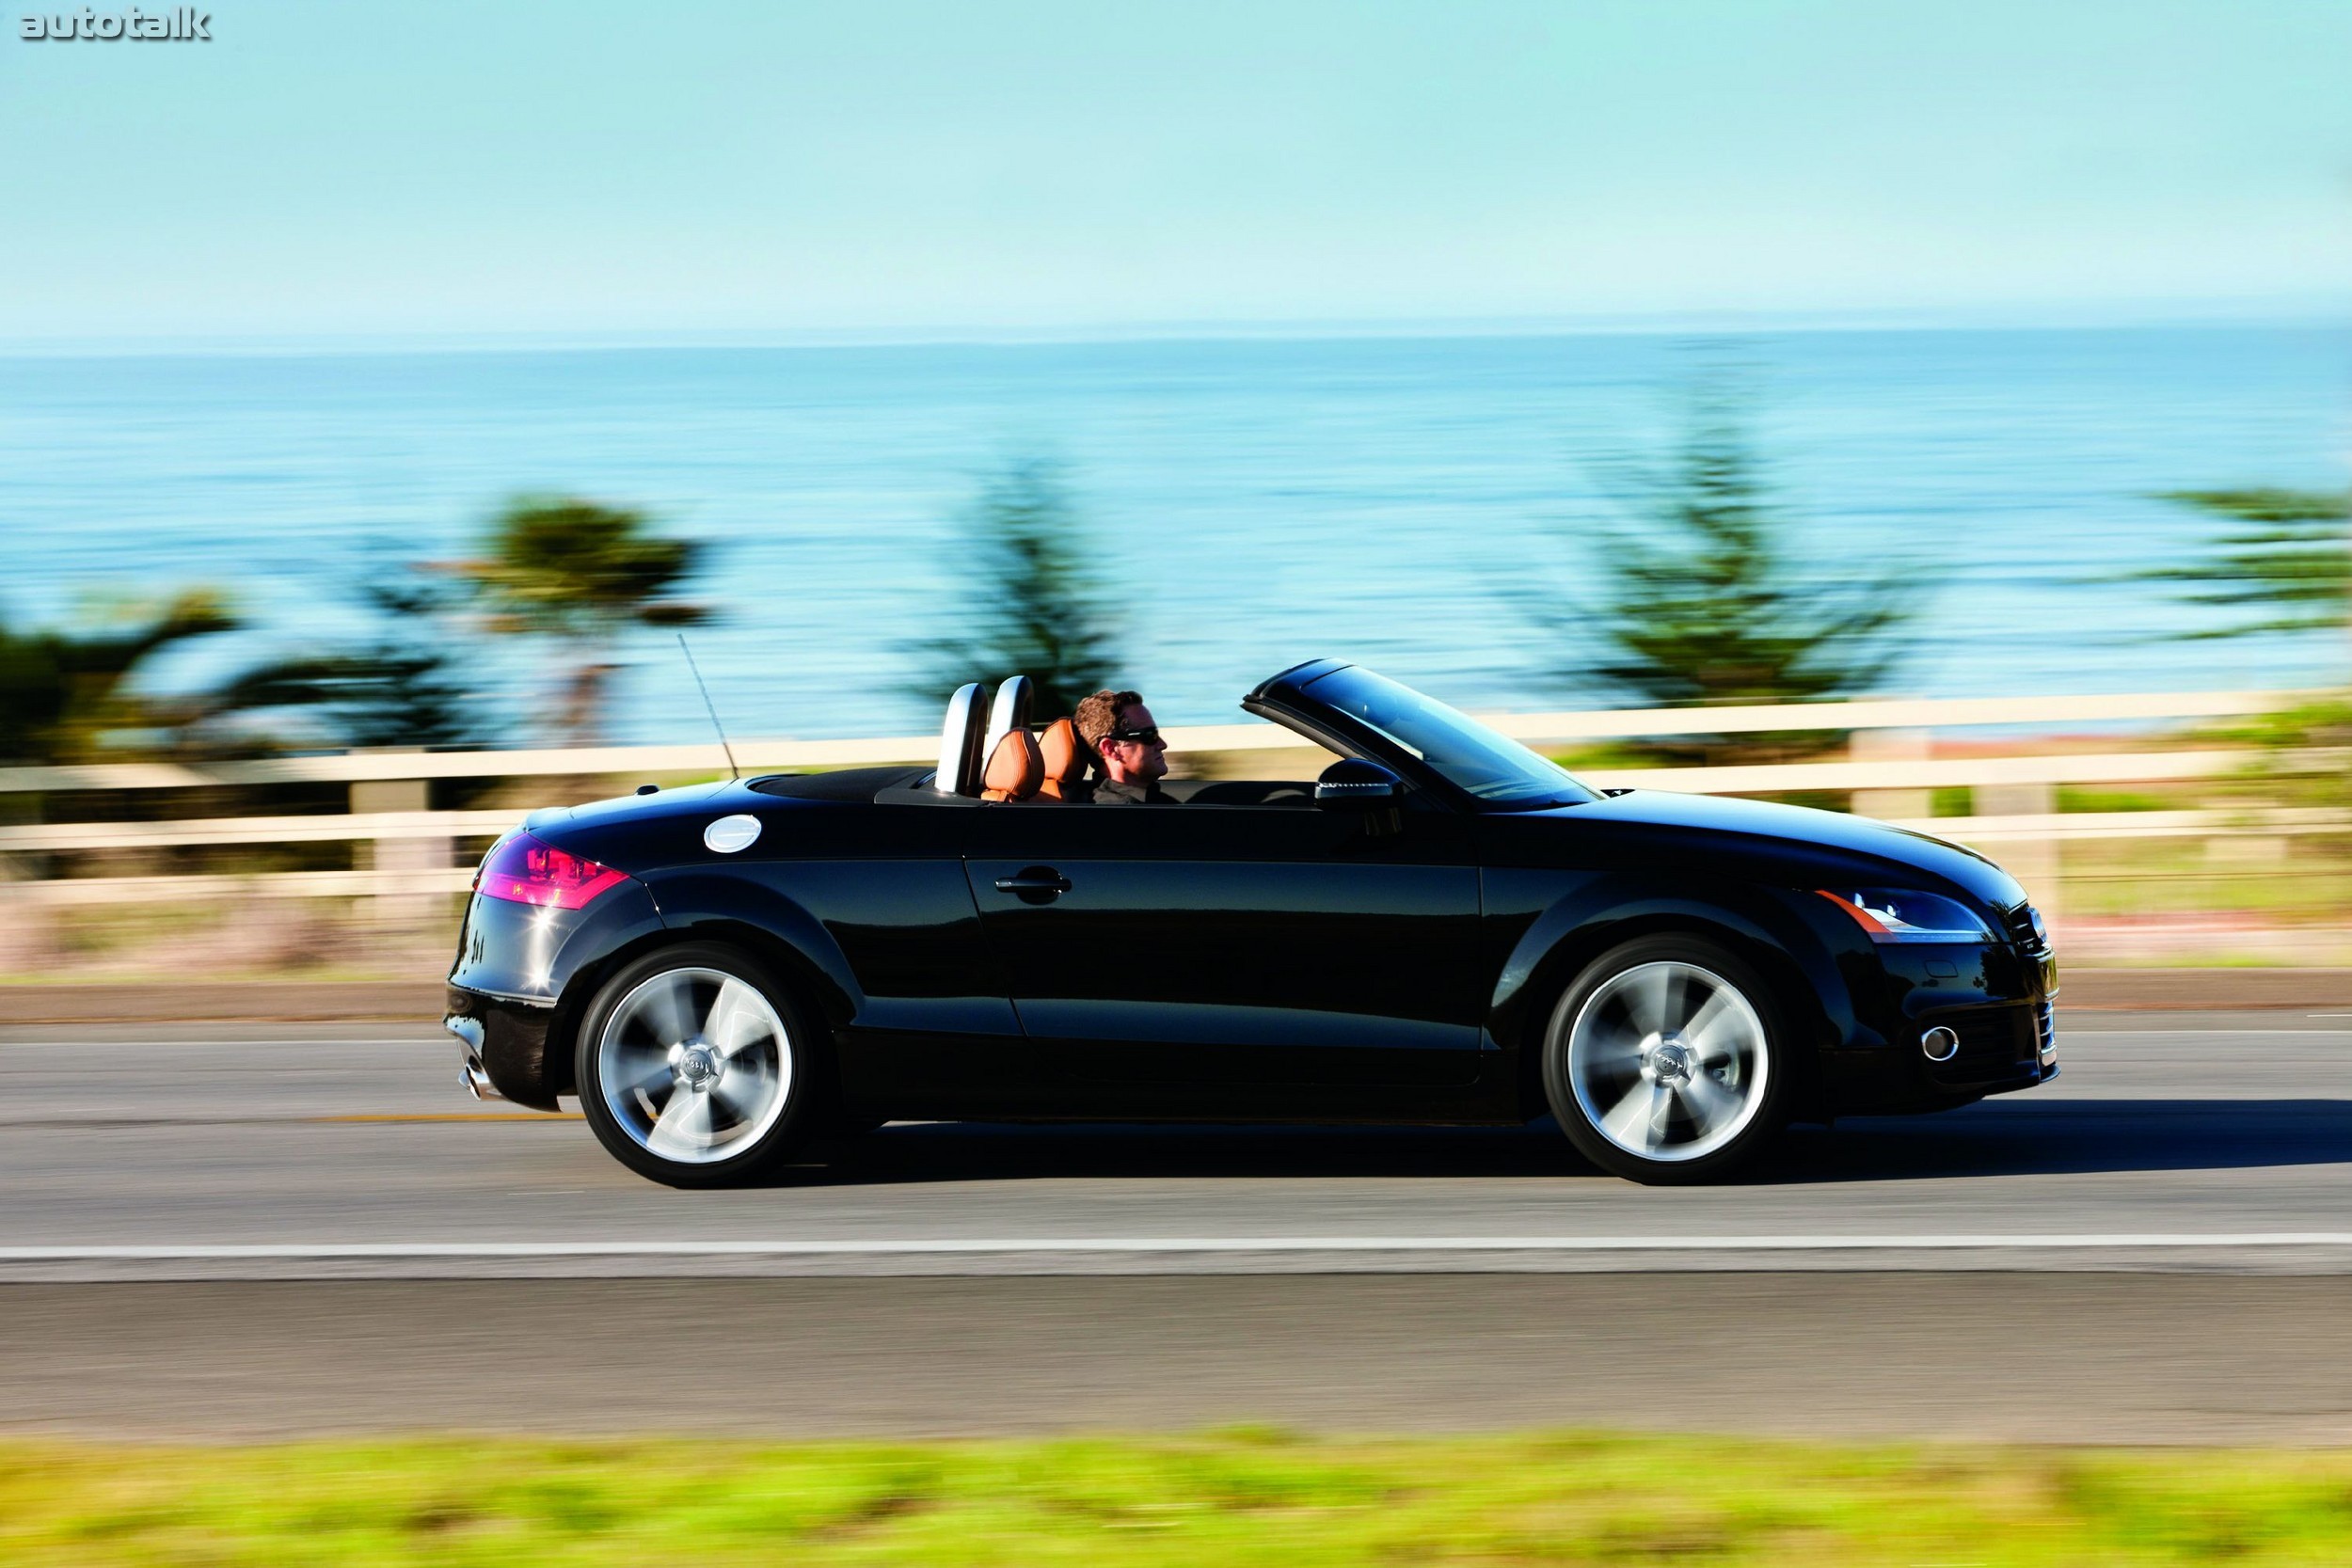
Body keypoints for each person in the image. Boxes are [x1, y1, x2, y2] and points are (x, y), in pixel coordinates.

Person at [1072, 688, 1170, 804]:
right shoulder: (1120, 814)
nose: (1163, 745)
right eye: (1149, 735)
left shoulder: (1153, 802)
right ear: (1111, 749)